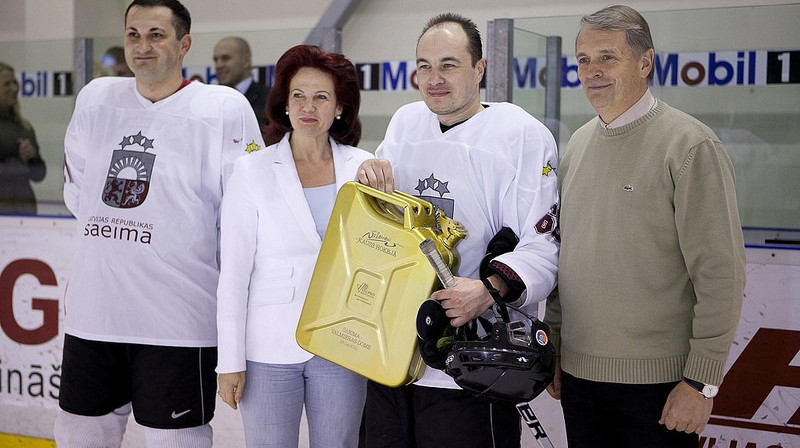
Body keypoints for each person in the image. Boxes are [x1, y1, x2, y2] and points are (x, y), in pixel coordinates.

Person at [54, 0, 265, 447]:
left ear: (184, 44)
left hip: (179, 323)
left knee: (177, 440)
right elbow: (79, 194)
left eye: (156, 35)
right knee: (78, 434)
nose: (142, 46)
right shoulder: (96, 98)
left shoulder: (224, 109)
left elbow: (246, 220)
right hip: (94, 317)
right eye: (133, 34)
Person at [544, 5, 745, 447]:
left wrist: (700, 383)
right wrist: (556, 344)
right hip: (579, 381)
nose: (592, 71)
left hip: (662, 391)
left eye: (607, 57)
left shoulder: (690, 146)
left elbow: (721, 275)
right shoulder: (576, 146)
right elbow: (565, 257)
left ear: (645, 62)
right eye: (583, 59)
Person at [357, 13, 560, 448]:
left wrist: (488, 288)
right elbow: (385, 226)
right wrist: (368, 182)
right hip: (393, 354)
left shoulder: (521, 135)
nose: (434, 79)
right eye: (424, 66)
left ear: (479, 68)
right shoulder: (405, 124)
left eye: (449, 64)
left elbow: (543, 246)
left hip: (472, 366)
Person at [216, 44, 371, 447]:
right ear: (284, 103)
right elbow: (233, 275)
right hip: (267, 348)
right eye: (298, 95)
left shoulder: (364, 167)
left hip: (343, 343)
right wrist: (229, 362)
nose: (308, 107)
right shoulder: (251, 170)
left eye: (322, 97)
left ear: (339, 107)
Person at [0, 62, 46, 215]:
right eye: (7, 84)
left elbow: (39, 175)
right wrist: (14, 159)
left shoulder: (24, 127)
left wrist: (32, 157)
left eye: (15, 82)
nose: (14, 88)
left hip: (24, 208)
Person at [213, 36, 269, 127]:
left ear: (246, 61)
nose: (219, 65)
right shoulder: (211, 101)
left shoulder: (269, 99)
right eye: (216, 60)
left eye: (225, 58)